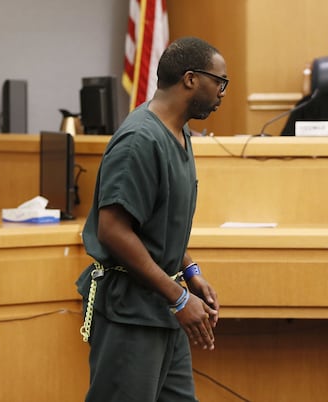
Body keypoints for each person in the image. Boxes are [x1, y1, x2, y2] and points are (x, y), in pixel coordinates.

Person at [76, 36, 225, 402]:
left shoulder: (179, 131)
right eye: (219, 81)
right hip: (132, 312)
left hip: (163, 307)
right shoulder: (140, 139)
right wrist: (178, 298)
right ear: (190, 79)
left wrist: (190, 272)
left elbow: (160, 220)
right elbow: (112, 230)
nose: (222, 91)